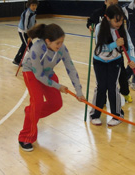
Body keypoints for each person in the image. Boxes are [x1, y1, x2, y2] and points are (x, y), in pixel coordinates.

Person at [19, 23, 85, 152]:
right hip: (31, 73)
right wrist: (57, 86)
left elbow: (71, 68)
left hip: (48, 73)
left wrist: (79, 91)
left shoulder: (62, 49)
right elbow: (38, 75)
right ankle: (25, 137)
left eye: (62, 42)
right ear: (48, 41)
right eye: (58, 43)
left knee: (56, 104)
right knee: (37, 103)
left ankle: (30, 112)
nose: (61, 46)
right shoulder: (36, 49)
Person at [90, 4, 135, 127]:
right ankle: (94, 114)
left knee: (112, 87)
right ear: (107, 17)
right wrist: (115, 44)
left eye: (121, 20)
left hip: (115, 61)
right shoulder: (100, 27)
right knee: (101, 87)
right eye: (117, 21)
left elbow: (130, 45)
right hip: (99, 61)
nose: (119, 23)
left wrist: (132, 60)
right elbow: (100, 48)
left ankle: (117, 115)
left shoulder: (122, 29)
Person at [86, 0, 133, 103]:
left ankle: (125, 93)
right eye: (111, 3)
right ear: (105, 2)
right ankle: (101, 100)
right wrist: (90, 26)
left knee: (121, 75)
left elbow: (127, 41)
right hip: (103, 51)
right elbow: (90, 21)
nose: (113, 6)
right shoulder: (98, 13)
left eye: (116, 4)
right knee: (102, 82)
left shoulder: (118, 16)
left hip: (116, 53)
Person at [13, 0, 38, 65]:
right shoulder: (27, 13)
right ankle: (33, 62)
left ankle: (17, 60)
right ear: (29, 5)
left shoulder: (33, 12)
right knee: (30, 47)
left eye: (35, 5)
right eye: (32, 5)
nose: (34, 7)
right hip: (23, 31)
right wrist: (29, 36)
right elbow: (25, 25)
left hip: (28, 31)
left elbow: (33, 21)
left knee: (24, 45)